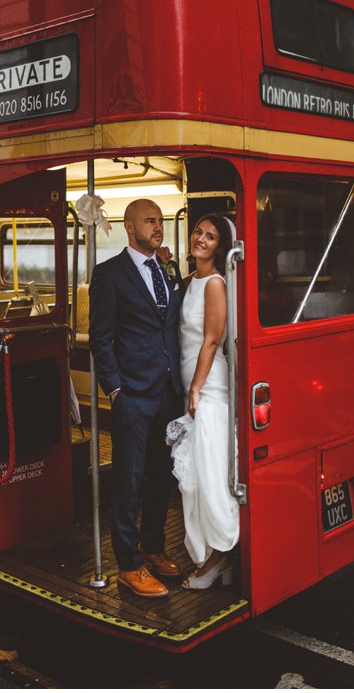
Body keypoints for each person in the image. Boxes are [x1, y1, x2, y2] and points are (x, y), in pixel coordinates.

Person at [87, 198, 185, 597]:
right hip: (132, 393)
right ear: (129, 227)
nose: (158, 227)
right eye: (150, 221)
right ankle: (128, 565)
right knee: (128, 479)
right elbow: (100, 337)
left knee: (161, 476)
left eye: (160, 220)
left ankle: (154, 547)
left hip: (168, 391)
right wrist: (114, 389)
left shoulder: (166, 266)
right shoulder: (109, 274)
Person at [172, 214, 239, 589]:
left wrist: (196, 387)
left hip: (209, 389)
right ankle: (218, 560)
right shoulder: (190, 282)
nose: (200, 239)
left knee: (210, 477)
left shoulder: (215, 283)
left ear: (220, 247)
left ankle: (215, 559)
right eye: (198, 231)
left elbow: (212, 340)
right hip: (191, 386)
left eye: (210, 236)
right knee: (196, 476)